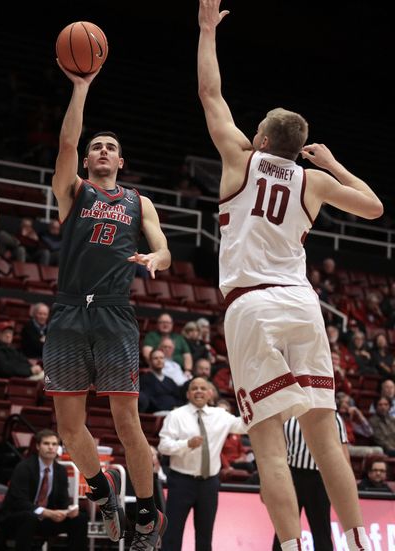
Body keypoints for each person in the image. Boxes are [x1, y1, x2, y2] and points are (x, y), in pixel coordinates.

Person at [197, 2, 383, 549]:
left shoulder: (238, 156)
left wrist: (207, 30)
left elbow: (211, 94)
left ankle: (294, 546)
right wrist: (330, 164)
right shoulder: (311, 181)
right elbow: (373, 208)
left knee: (270, 442)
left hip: (251, 305)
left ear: (258, 138)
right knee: (326, 437)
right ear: (293, 146)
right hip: (302, 303)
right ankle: (356, 542)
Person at [42, 61, 170, 548]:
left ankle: (146, 514)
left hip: (115, 312)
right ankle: (104, 494)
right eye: (96, 146)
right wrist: (80, 88)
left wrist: (156, 256)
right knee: (70, 429)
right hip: (70, 310)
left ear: (121, 160)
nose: (100, 151)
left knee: (126, 421)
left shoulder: (139, 201)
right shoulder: (73, 191)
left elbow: (163, 247)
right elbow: (66, 146)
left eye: (109, 147)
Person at [158, 377, 246, 551]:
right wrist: (186, 444)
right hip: (181, 482)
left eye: (203, 388)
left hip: (209, 484)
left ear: (210, 393)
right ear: (188, 394)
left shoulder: (221, 416)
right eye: (194, 388)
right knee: (172, 534)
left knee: (205, 537)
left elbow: (243, 426)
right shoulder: (176, 416)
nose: (199, 391)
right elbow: (163, 446)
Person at [0, 429, 88, 551]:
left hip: (44, 519)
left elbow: (63, 500)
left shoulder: (60, 470)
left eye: (54, 444)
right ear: (38, 446)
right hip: (15, 517)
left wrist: (68, 510)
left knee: (79, 518)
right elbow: (19, 501)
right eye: (46, 443)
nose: (51, 447)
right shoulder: (24, 467)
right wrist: (45, 512)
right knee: (30, 517)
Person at [272, 412, 349, 551]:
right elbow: (277, 449)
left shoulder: (333, 417)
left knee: (321, 530)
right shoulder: (287, 416)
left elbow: (342, 453)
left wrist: (346, 487)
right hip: (291, 476)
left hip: (320, 479)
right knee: (284, 528)